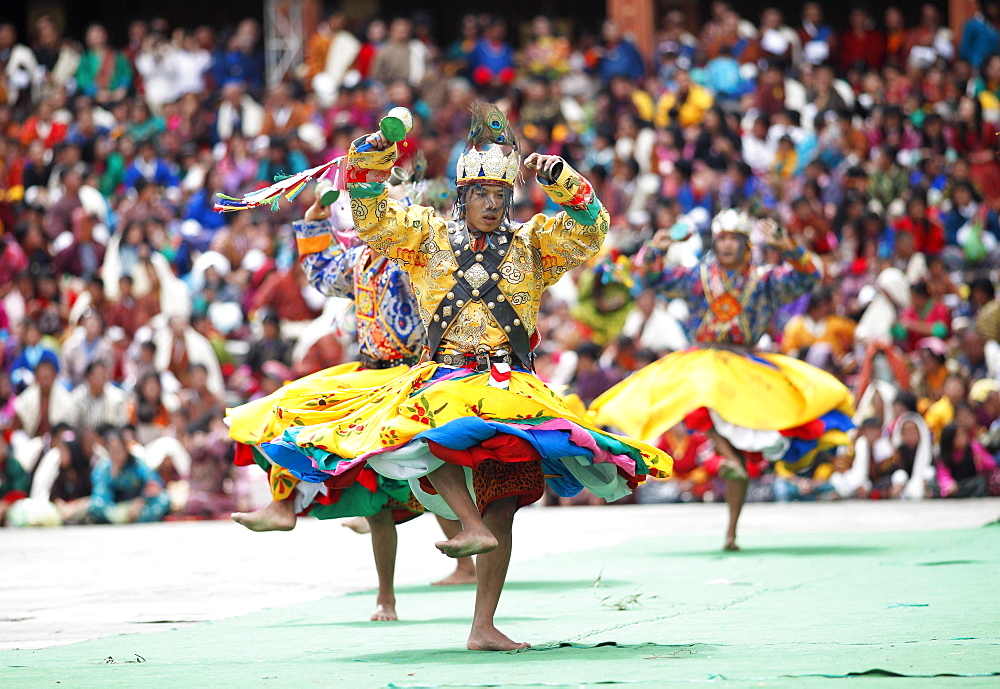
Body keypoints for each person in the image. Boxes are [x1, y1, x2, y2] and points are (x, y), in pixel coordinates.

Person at [259, 102, 670, 650]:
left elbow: (592, 231)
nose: (492, 204)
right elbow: (372, 216)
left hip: (510, 386)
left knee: (505, 503)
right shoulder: (425, 237)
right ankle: (464, 524)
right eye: (482, 194)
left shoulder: (533, 243)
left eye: (501, 195)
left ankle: (483, 625)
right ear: (462, 194)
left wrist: (566, 183)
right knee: (421, 439)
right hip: (445, 379)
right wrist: (378, 150)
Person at [227, 190, 474, 617]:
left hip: (411, 375)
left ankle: (469, 550)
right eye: (362, 212)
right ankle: (286, 507)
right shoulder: (359, 260)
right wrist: (313, 222)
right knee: (288, 410)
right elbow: (320, 273)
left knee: (430, 461)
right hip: (367, 374)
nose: (368, 219)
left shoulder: (418, 254)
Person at [591, 209, 854, 550]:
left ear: (747, 245)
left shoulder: (765, 280)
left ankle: (731, 527)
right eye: (722, 238)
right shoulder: (698, 277)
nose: (727, 244)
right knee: (703, 392)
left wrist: (788, 246)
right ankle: (726, 455)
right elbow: (651, 279)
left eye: (734, 239)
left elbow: (808, 277)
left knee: (746, 445)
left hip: (745, 360)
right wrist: (658, 247)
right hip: (704, 357)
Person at [89, 428, 170, 524]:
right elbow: (99, 492)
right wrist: (112, 476)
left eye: (119, 451)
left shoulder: (137, 464)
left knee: (164, 499)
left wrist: (141, 501)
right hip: (114, 508)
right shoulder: (104, 468)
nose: (117, 455)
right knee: (96, 505)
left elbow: (154, 483)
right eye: (113, 451)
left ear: (126, 449)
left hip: (137, 506)